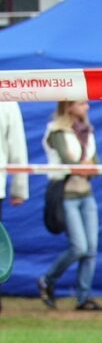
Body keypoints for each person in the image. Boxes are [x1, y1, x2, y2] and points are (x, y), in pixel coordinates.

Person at [38, 100, 102, 312]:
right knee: (79, 247)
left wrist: (87, 167)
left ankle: (83, 297)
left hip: (87, 193)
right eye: (81, 103)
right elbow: (69, 162)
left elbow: (96, 163)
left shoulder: (88, 131)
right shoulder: (56, 131)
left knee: (91, 248)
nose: (87, 107)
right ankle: (47, 280)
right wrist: (85, 166)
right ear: (68, 106)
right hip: (66, 194)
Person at [0, 101, 29, 317]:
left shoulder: (8, 97)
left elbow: (16, 146)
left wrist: (20, 187)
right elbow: (17, 146)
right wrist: (19, 188)